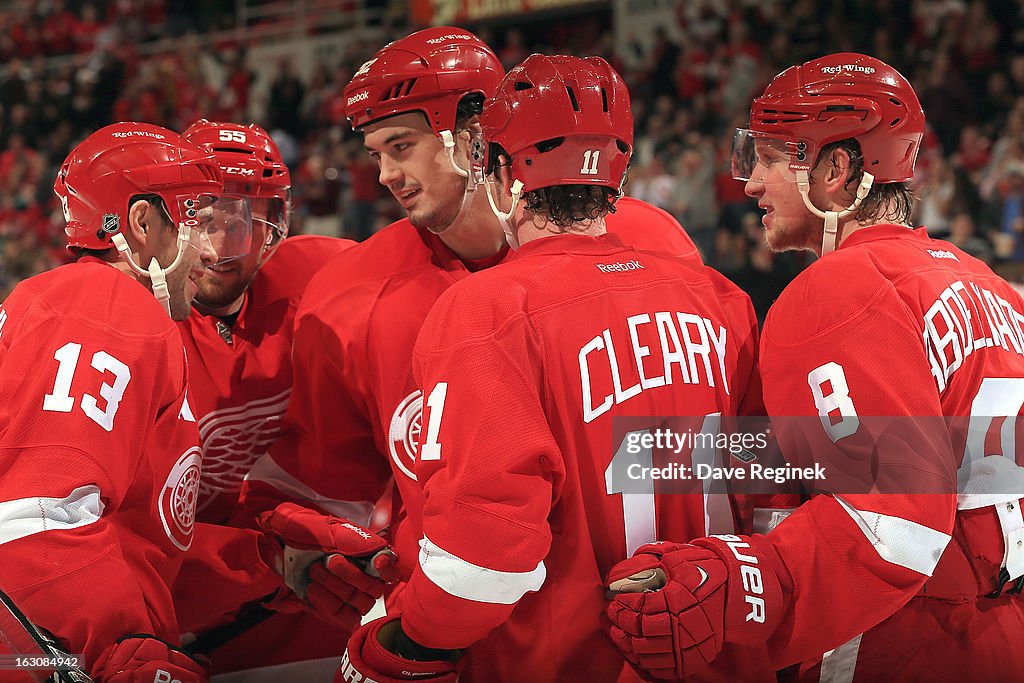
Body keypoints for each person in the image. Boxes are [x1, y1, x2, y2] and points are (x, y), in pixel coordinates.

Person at [337, 53, 773, 683]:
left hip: (565, 658)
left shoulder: (485, 309)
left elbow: (487, 554)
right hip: (718, 654)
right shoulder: (717, 295)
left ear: (501, 170)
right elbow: (780, 483)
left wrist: (406, 642)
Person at [238, 26, 705, 608]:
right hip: (480, 642)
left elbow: (734, 447)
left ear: (475, 134)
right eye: (375, 153)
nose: (385, 175)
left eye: (401, 146)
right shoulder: (347, 295)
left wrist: (728, 569)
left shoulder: (653, 242)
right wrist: (301, 545)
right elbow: (325, 489)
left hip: (662, 620)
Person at [605, 52, 1024, 682]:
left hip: (904, 636)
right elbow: (925, 454)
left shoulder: (843, 288)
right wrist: (670, 450)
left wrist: (740, 582)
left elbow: (894, 515)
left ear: (836, 168)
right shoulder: (990, 284)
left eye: (771, 159)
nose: (749, 185)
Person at [0, 121, 227, 682]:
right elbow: (34, 517)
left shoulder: (84, 303)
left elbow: (141, 528)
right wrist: (118, 648)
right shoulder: (106, 305)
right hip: (49, 651)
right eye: (196, 218)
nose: (211, 246)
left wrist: (267, 556)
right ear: (142, 223)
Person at [171, 120, 378, 680]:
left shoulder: (332, 278)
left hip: (326, 595)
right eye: (200, 220)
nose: (216, 249)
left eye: (236, 225)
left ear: (273, 227)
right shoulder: (129, 328)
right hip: (186, 616)